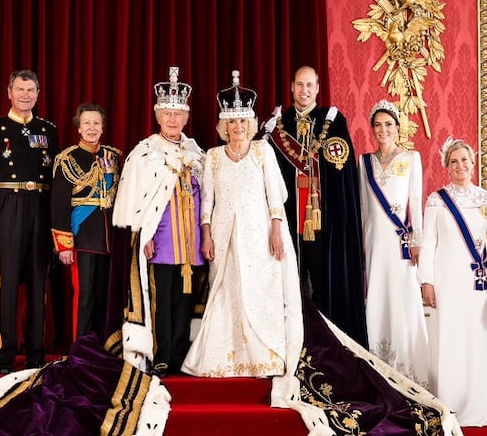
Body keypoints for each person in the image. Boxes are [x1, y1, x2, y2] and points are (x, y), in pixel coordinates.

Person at [182, 71, 302, 379]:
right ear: (224, 125)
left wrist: (276, 229)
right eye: (232, 122)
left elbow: (276, 196)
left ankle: (263, 357)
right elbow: (206, 201)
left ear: (251, 123)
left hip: (259, 234)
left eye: (243, 122)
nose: (238, 128)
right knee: (227, 292)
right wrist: (206, 235)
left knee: (260, 290)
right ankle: (225, 358)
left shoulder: (263, 151)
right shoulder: (213, 156)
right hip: (223, 235)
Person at [265, 65, 368, 345]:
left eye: (310, 85)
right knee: (291, 285)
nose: (304, 91)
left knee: (324, 285)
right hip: (289, 220)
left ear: (318, 88)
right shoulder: (278, 127)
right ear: (291, 87)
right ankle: (293, 343)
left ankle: (326, 345)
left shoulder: (332, 121)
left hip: (323, 220)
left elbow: (342, 172)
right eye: (299, 85)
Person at [113, 66, 205, 377]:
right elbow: (136, 200)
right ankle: (161, 354)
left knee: (186, 299)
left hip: (192, 243)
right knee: (161, 299)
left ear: (186, 118)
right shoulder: (145, 153)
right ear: (157, 115)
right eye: (167, 113)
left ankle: (181, 353)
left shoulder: (197, 153)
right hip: (162, 239)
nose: (172, 119)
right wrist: (144, 234)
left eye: (178, 114)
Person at [0, 69, 59, 373]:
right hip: (7, 206)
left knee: (38, 281)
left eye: (31, 90)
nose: (25, 95)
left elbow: (55, 179)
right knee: (6, 282)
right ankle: (6, 355)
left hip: (40, 205)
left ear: (37, 94)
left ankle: (36, 353)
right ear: (9, 92)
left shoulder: (48, 130)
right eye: (20, 89)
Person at [418, 138, 487, 426]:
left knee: (477, 340)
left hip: (477, 284)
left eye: (465, 160)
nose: (460, 166)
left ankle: (480, 406)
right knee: (450, 340)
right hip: (446, 281)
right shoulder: (436, 199)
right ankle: (449, 404)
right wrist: (426, 281)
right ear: (446, 166)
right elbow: (428, 243)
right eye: (454, 161)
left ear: (473, 162)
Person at [358, 99, 429, 385]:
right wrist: (363, 246)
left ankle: (408, 371)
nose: (383, 129)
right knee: (377, 297)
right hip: (375, 242)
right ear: (372, 129)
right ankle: (379, 367)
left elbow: (416, 204)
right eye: (378, 125)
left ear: (398, 128)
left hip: (401, 244)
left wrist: (417, 241)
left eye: (388, 124)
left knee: (403, 299)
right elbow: (364, 207)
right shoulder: (365, 162)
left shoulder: (411, 159)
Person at [51, 103, 121, 340]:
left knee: (104, 297)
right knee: (85, 297)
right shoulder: (67, 159)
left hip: (108, 238)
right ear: (78, 128)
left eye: (96, 123)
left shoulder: (112, 157)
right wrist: (64, 244)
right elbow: (59, 204)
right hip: (82, 237)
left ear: (102, 128)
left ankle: (101, 346)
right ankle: (80, 349)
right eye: (87, 123)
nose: (92, 128)